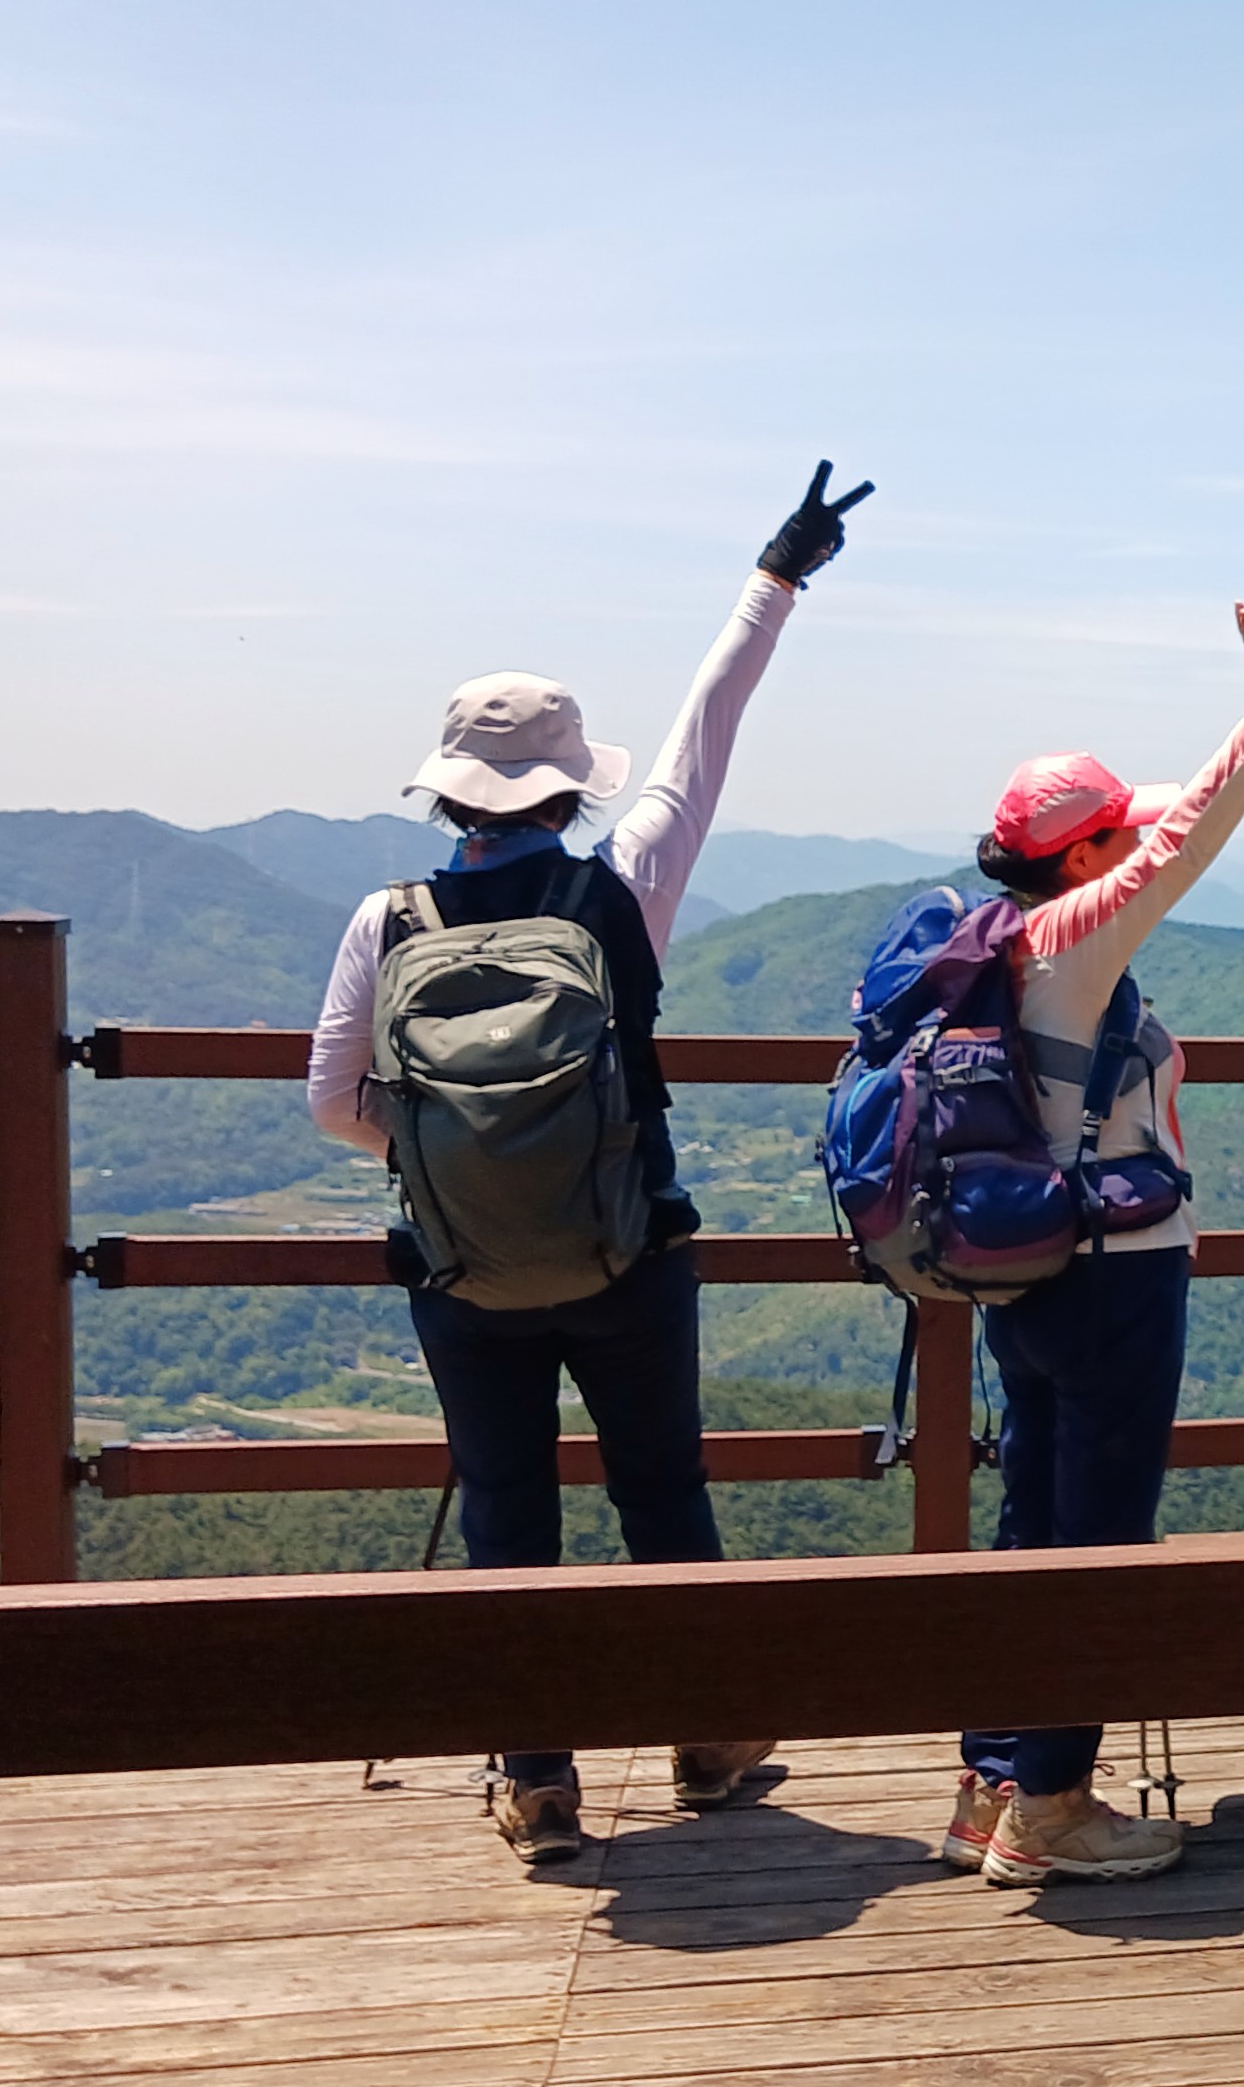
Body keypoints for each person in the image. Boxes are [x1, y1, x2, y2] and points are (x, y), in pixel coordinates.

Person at [305, 460, 870, 1863]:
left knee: (507, 1507)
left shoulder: (391, 916)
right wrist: (776, 578)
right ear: (566, 784)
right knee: (660, 1490)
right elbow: (701, 738)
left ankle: (538, 1777)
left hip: (461, 1268)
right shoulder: (623, 883)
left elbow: (332, 1100)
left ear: (452, 792)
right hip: (627, 1250)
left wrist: (443, 1159)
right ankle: (708, 1735)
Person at [940, 606, 1244, 1888]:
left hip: (1026, 1272)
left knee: (1032, 1518)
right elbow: (1183, 846)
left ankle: (994, 1777)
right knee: (1099, 1534)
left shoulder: (996, 946)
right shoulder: (1073, 937)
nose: (1135, 852)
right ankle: (1052, 1807)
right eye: (1117, 839)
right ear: (1081, 856)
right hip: (1114, 1271)